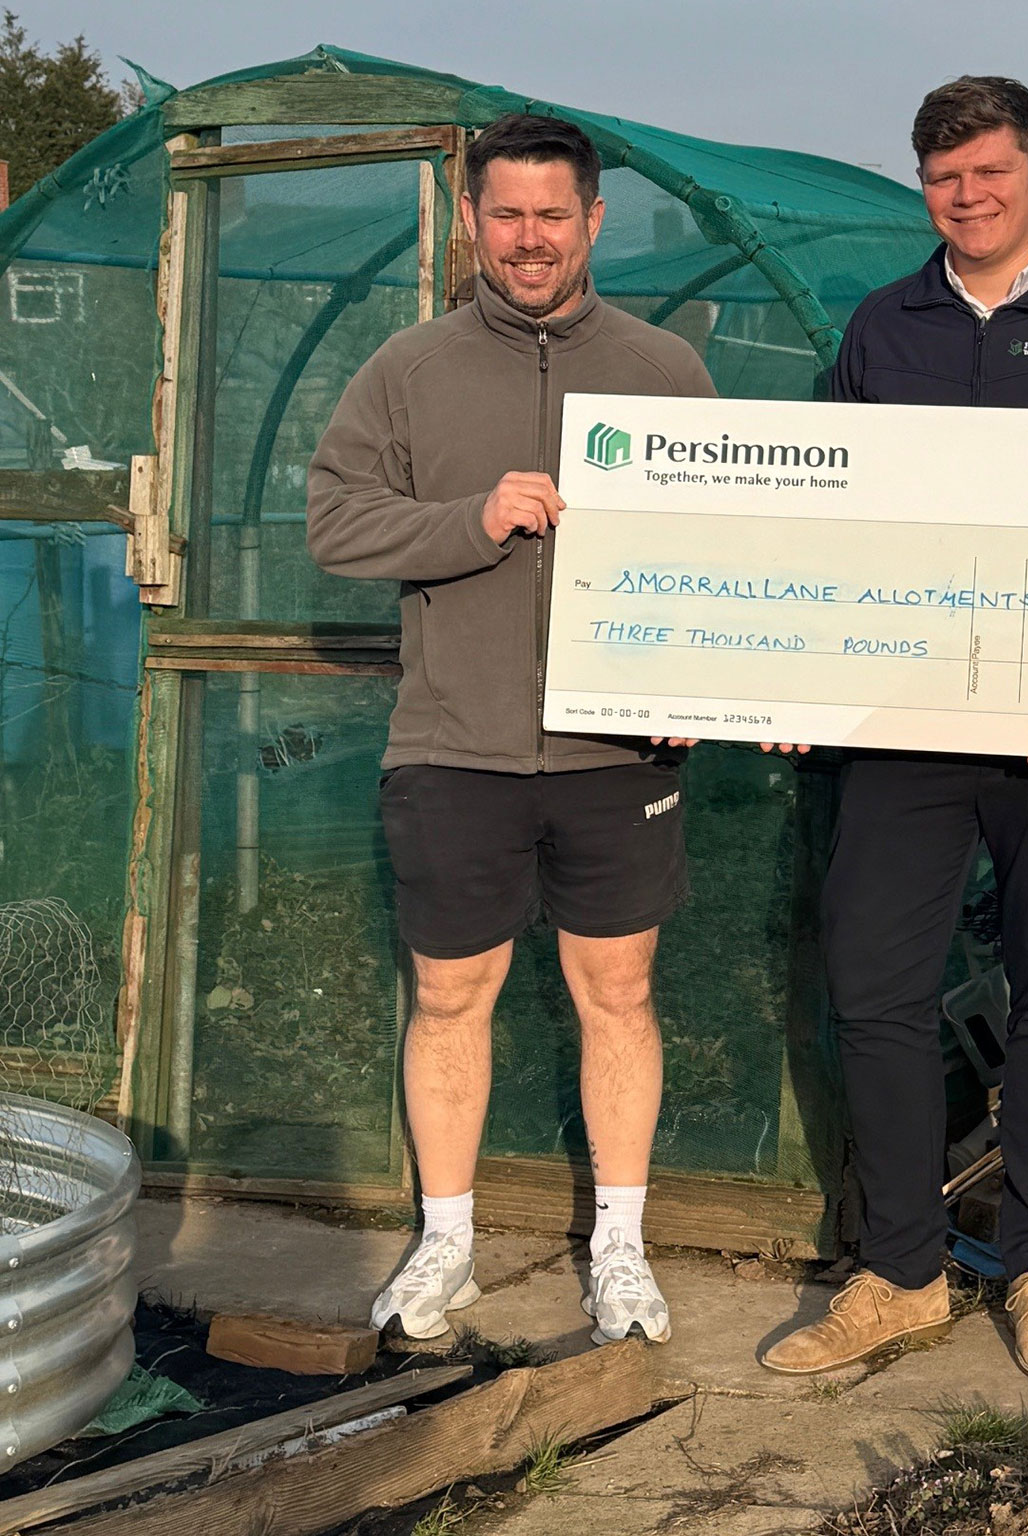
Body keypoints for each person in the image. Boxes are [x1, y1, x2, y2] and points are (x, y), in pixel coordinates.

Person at [758, 77, 1028, 1382]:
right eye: (946, 179)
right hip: (905, 721)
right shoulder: (883, 326)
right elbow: (829, 523)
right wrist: (786, 671)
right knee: (877, 983)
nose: (970, 197)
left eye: (992, 173)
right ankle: (898, 1272)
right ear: (926, 189)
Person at [307, 114, 716, 1347]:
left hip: (614, 754)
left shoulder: (665, 371)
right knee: (447, 996)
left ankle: (622, 1251)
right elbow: (336, 523)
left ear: (594, 221)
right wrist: (469, 520)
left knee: (620, 990)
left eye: (553, 214)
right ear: (472, 219)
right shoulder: (409, 368)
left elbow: (726, 556)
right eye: (506, 215)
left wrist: (698, 687)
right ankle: (447, 1245)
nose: (528, 239)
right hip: (453, 745)